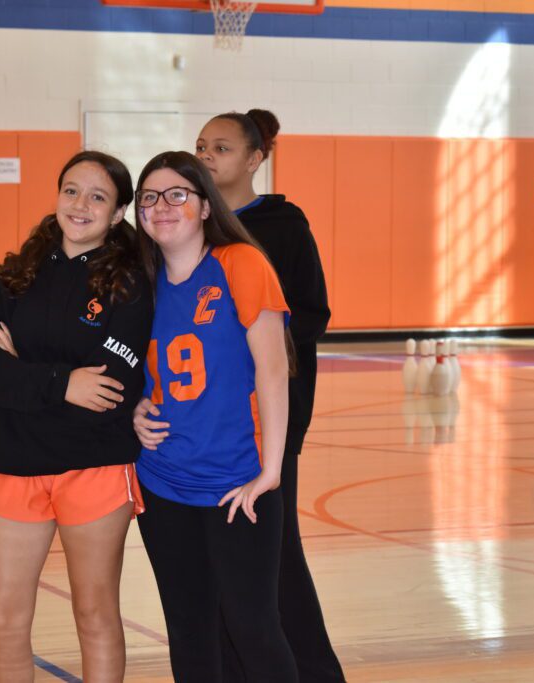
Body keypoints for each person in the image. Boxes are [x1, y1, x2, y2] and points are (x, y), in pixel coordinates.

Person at [0, 151, 152, 683]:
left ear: (117, 214)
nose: (80, 205)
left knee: (93, 613)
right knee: (2, 620)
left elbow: (111, 386)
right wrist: (61, 382)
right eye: (71, 190)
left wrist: (20, 365)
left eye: (98, 196)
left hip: (93, 462)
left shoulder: (130, 283)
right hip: (11, 460)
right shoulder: (17, 274)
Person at [131, 151, 297, 682]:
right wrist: (136, 408)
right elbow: (134, 367)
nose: (162, 207)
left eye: (177, 194)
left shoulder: (240, 264)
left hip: (237, 483)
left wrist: (270, 472)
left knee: (253, 626)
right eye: (149, 198)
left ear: (205, 206)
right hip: (162, 482)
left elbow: (273, 370)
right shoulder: (141, 281)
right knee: (188, 627)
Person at [197, 109, 344, 681]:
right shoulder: (191, 222)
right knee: (215, 560)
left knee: (275, 558)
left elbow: (312, 314)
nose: (208, 156)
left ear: (256, 159)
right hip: (199, 422)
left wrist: (246, 353)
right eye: (201, 146)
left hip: (265, 420)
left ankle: (314, 672)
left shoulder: (283, 225)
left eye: (223, 148)